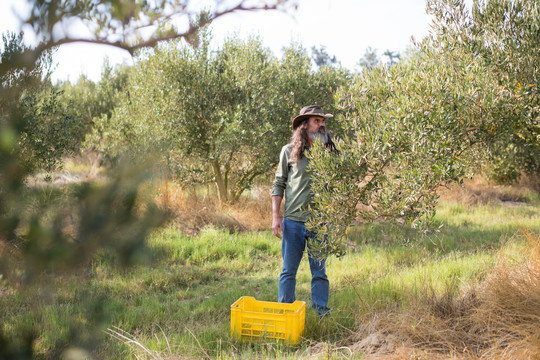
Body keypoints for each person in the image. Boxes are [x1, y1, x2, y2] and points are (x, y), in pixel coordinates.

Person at [271, 105, 336, 318]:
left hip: (319, 222)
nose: (322, 124)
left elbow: (348, 171)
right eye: (317, 121)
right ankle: (285, 314)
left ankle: (321, 315)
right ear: (304, 124)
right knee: (288, 271)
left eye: (322, 120)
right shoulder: (288, 151)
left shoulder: (330, 151)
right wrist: (275, 216)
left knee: (319, 272)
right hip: (293, 222)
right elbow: (279, 184)